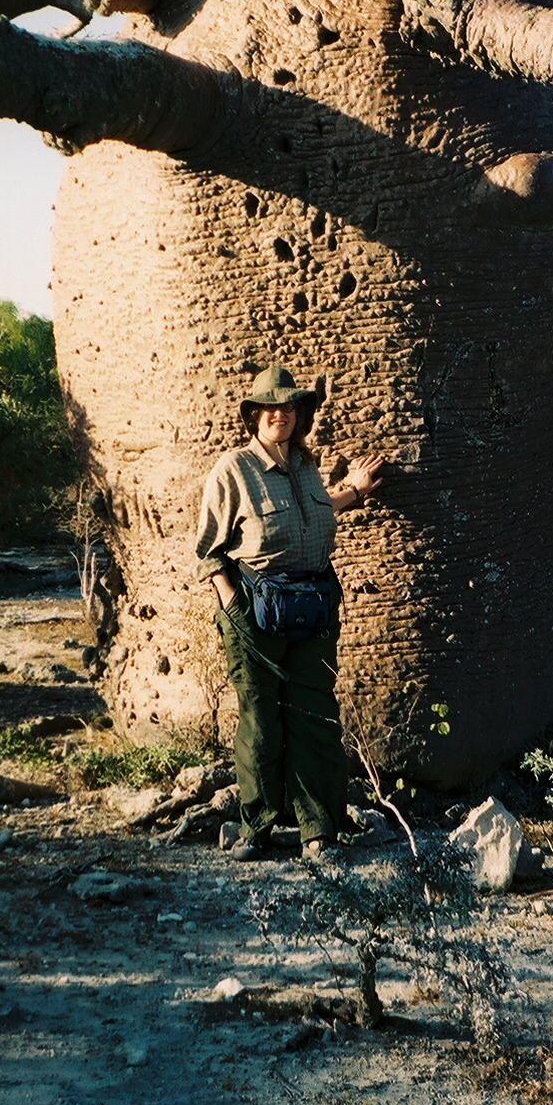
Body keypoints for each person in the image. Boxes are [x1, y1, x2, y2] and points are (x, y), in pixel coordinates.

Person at [195, 366, 384, 860]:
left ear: (299, 416)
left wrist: (356, 489)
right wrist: (231, 603)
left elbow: (321, 510)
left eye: (289, 407)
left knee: (316, 716)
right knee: (261, 719)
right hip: (255, 611)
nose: (280, 414)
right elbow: (210, 549)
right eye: (270, 407)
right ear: (254, 416)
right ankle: (257, 827)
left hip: (313, 609)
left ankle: (317, 831)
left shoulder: (305, 467)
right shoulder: (233, 469)